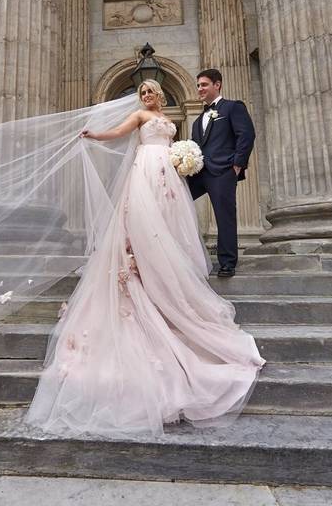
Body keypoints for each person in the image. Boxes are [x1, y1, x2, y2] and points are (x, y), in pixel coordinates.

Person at [24, 79, 265, 437]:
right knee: (142, 222)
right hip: (145, 170)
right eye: (143, 93)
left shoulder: (170, 118)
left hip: (168, 173)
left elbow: (189, 145)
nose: (147, 96)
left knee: (167, 226)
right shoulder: (138, 116)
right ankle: (143, 270)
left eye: (151, 91)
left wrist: (187, 159)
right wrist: (94, 136)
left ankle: (169, 270)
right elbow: (118, 133)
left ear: (161, 94)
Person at [187, 69, 255, 277]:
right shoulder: (198, 120)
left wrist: (237, 165)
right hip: (199, 173)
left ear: (217, 85)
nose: (200, 88)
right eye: (198, 85)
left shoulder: (233, 107)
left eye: (204, 84)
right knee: (175, 199)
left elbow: (246, 135)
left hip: (223, 171)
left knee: (224, 216)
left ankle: (227, 263)